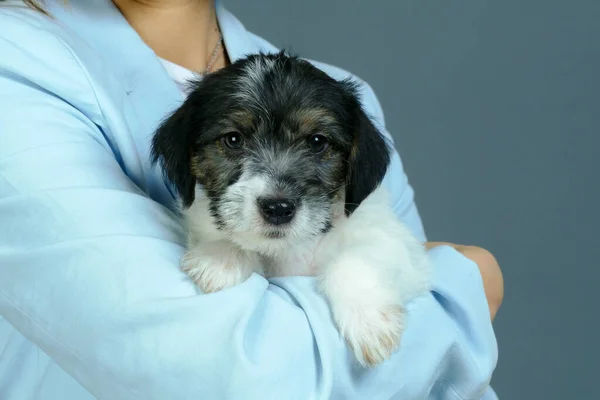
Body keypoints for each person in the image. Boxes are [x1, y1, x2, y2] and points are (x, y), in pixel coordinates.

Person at [0, 0, 504, 399]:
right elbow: (235, 380)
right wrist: (466, 289)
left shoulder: (342, 98)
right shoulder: (15, 64)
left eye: (316, 146)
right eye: (234, 141)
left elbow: (431, 382)